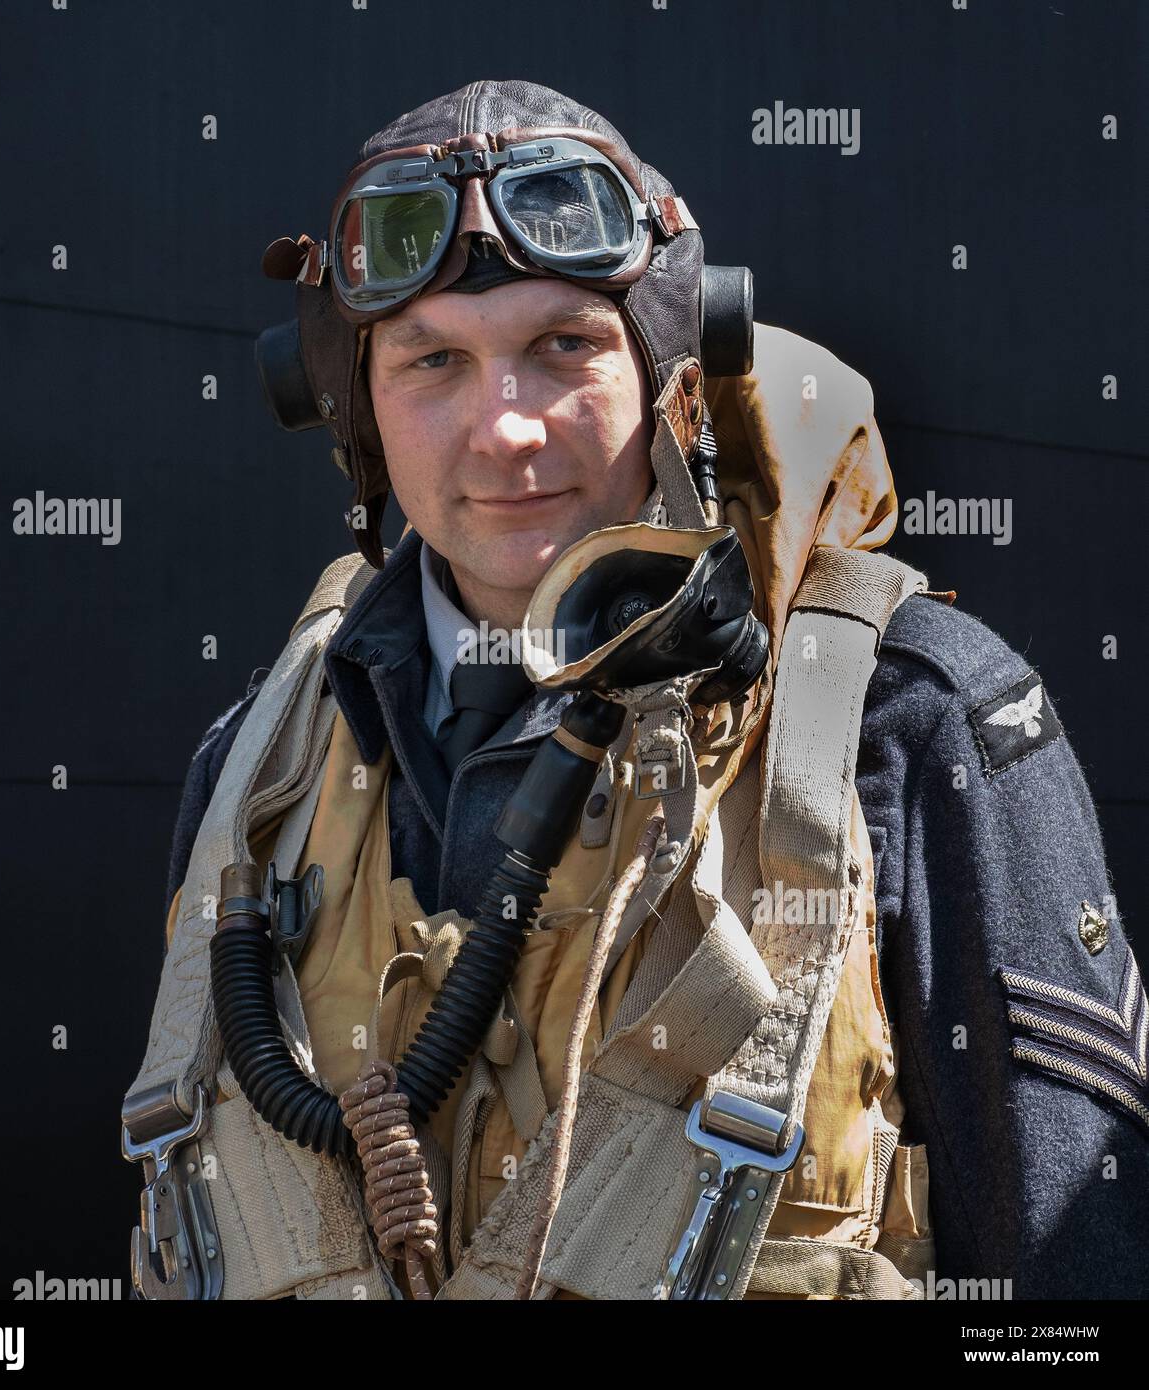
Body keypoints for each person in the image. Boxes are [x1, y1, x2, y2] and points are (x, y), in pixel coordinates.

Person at [127, 79, 1148, 1301]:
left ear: (675, 369)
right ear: (349, 403)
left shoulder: (910, 726)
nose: (504, 431)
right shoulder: (256, 775)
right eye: (433, 361)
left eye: (564, 347)